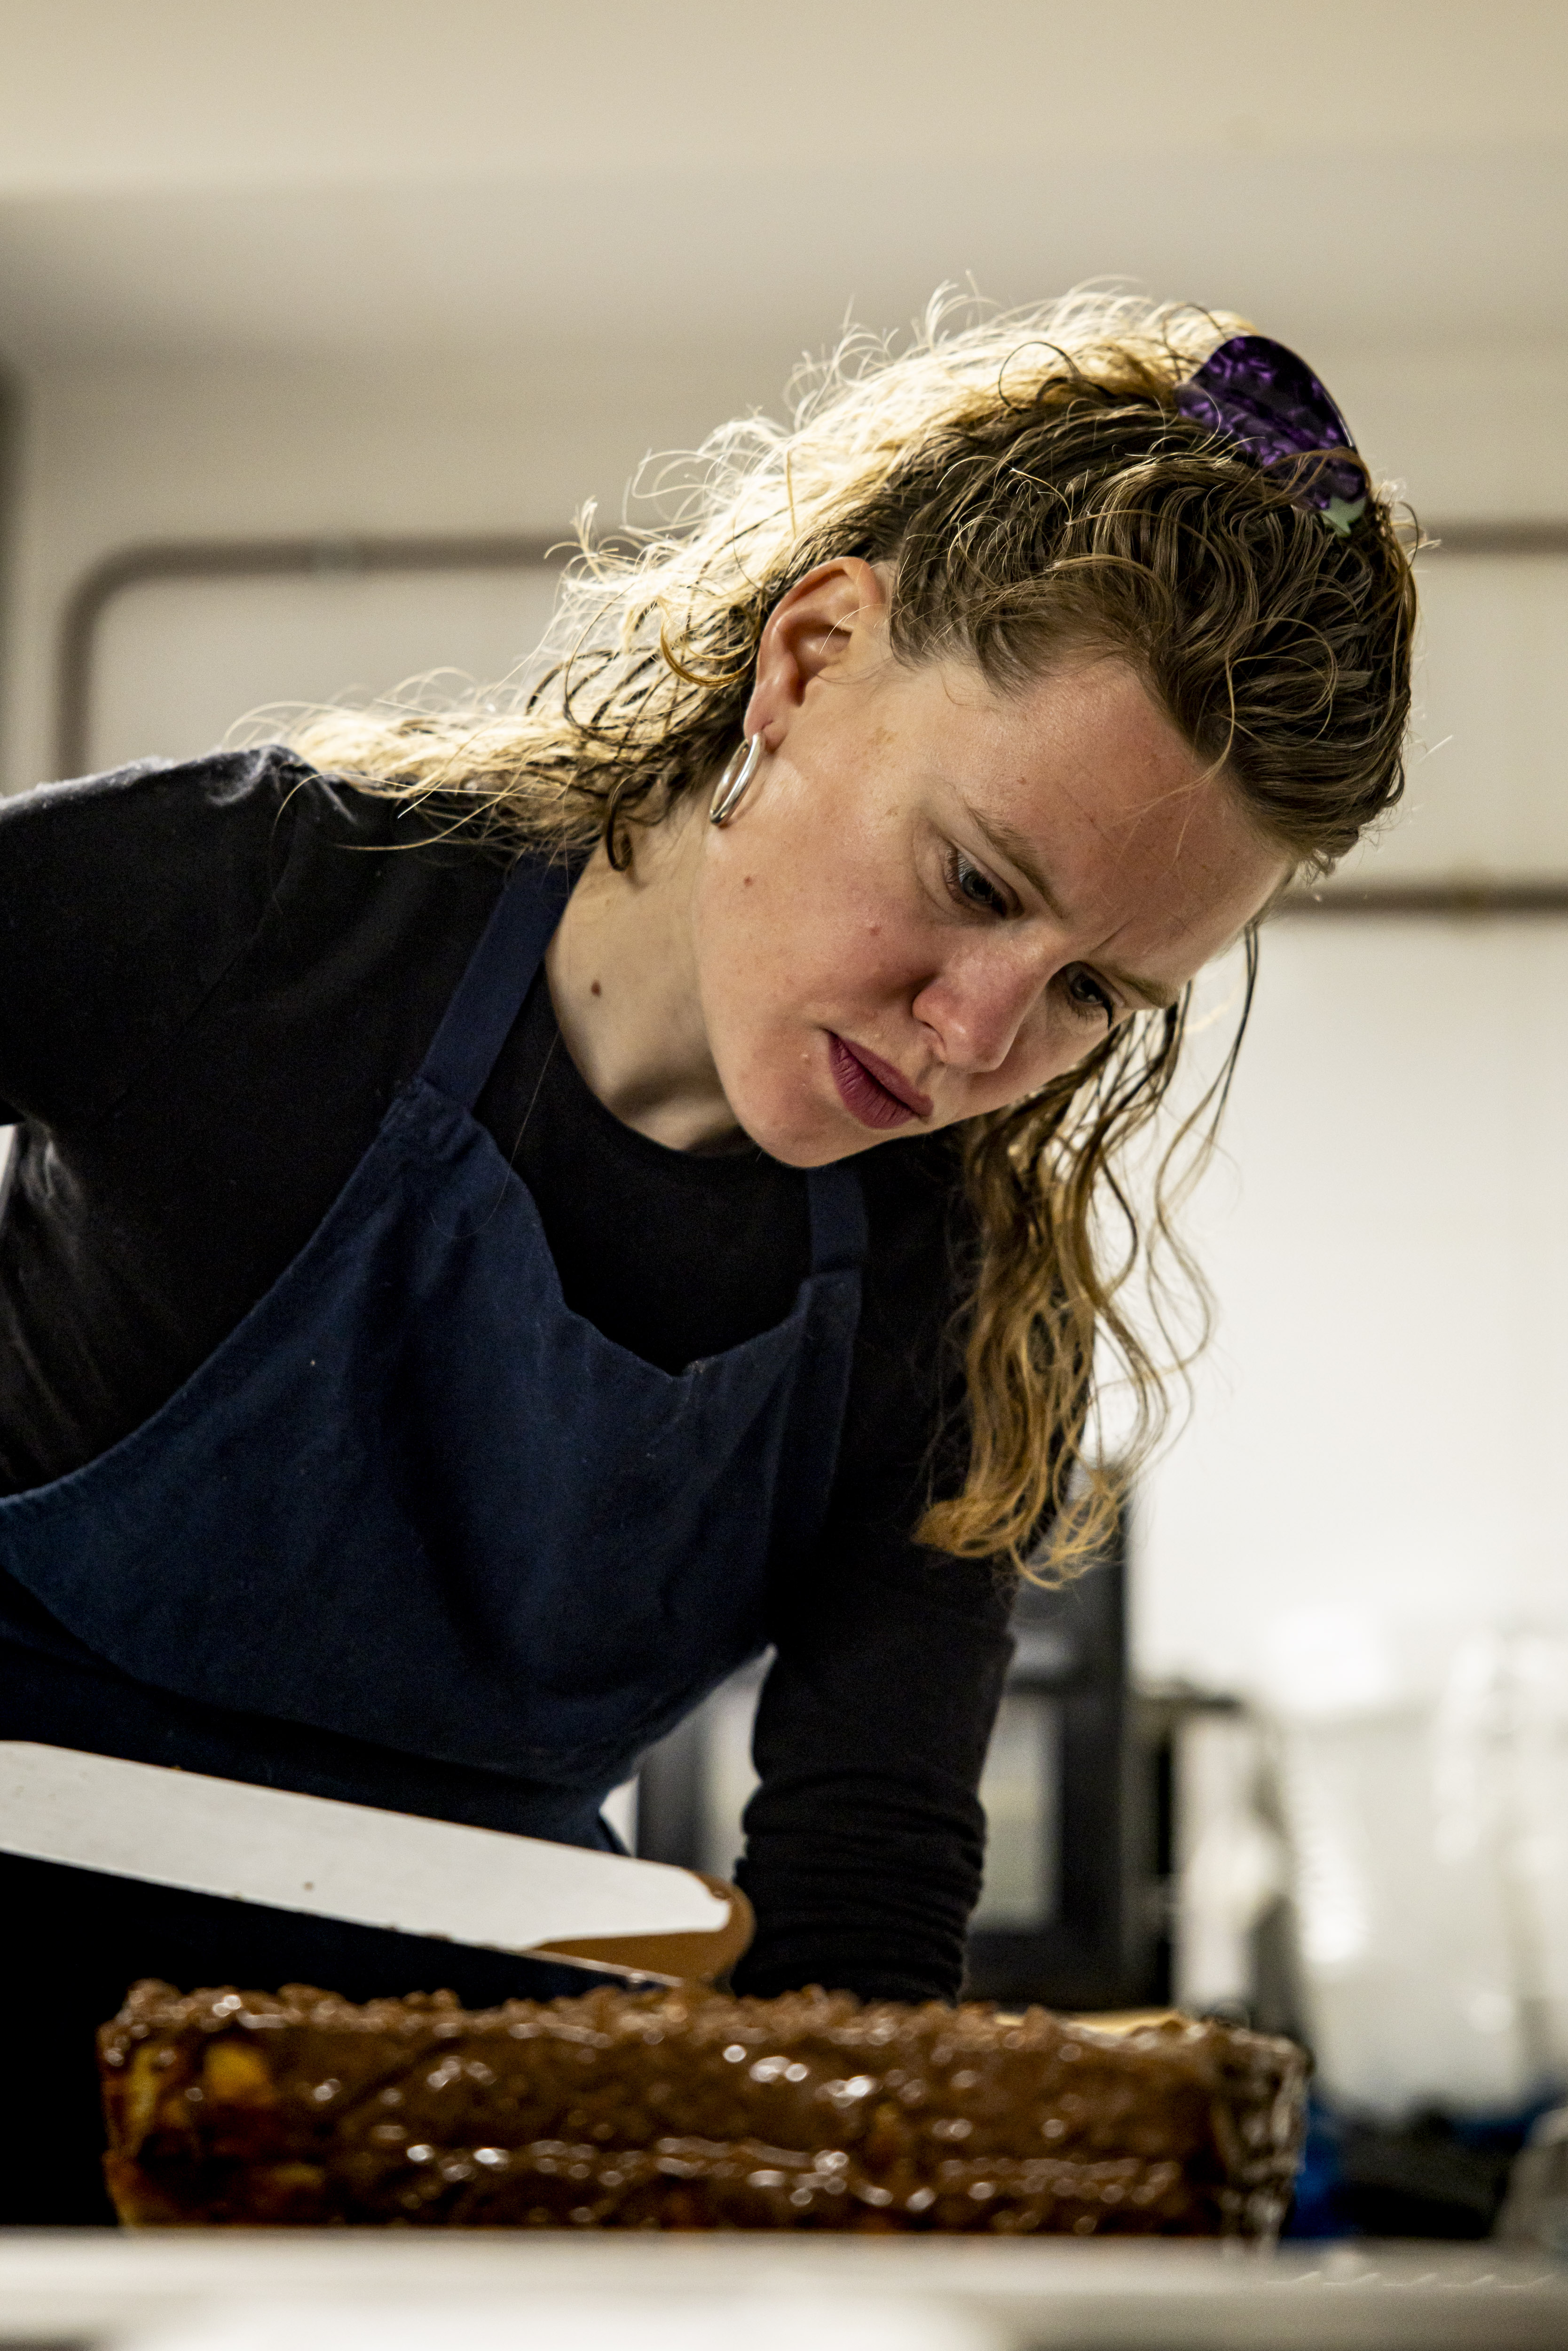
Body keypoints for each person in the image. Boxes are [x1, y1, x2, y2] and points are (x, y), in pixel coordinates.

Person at [0, 293, 1414, 2221]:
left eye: (1093, 993)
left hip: (444, 2138)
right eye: (974, 880)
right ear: (809, 660)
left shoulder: (954, 1305)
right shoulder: (267, 911)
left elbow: (862, 1901)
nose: (977, 1035)